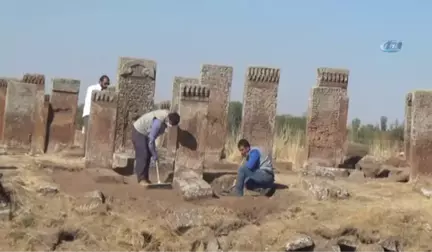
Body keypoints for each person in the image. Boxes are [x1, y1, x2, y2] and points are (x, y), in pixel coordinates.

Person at [132, 109, 180, 185]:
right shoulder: (158, 123)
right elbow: (151, 141)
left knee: (148, 154)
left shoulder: (166, 118)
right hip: (139, 131)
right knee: (143, 154)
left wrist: (153, 153)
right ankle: (141, 179)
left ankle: (145, 178)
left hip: (146, 133)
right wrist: (155, 154)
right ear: (169, 120)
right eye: (170, 124)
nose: (170, 126)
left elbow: (152, 138)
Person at [82, 75, 110, 151]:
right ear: (100, 82)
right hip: (89, 113)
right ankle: (85, 153)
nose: (106, 85)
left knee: (96, 134)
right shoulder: (92, 88)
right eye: (105, 83)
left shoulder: (105, 91)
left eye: (108, 84)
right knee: (88, 134)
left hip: (98, 115)